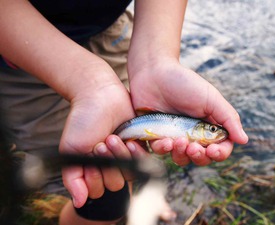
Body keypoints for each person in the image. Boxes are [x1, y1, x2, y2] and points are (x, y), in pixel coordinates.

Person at [0, 0, 248, 225]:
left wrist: (155, 60)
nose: (215, 132)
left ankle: (133, 197)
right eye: (212, 129)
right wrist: (88, 82)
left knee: (130, 163)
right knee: (102, 204)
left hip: (110, 29)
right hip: (19, 49)